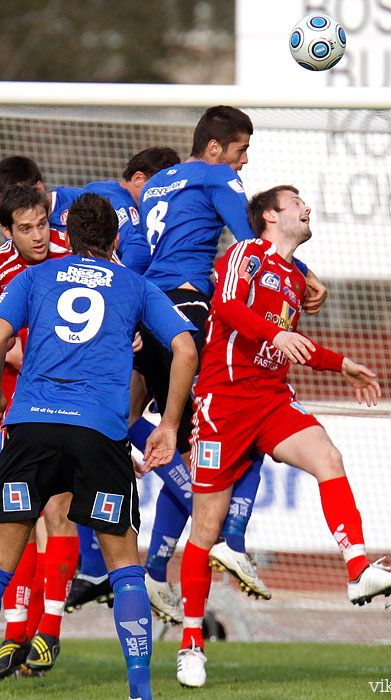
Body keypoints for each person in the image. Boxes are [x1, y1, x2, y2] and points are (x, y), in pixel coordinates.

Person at [140, 184, 391, 688]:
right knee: (205, 530)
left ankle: (356, 568)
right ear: (269, 216)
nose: (307, 207)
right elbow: (224, 307)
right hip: (224, 403)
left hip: (270, 399)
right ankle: (192, 644)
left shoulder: (291, 276)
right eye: (296, 202)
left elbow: (288, 340)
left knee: (328, 456)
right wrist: (273, 333)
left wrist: (342, 364)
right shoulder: (247, 253)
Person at [131, 105, 329, 618]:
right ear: (216, 147)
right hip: (189, 306)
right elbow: (254, 245)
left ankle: (156, 569)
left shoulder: (159, 182)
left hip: (147, 307)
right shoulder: (217, 175)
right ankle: (229, 539)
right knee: (248, 406)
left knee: (144, 423)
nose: (243, 162)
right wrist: (303, 273)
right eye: (241, 150)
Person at [0, 192, 198, 700]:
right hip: (98, 434)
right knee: (124, 568)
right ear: (114, 239)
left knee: (3, 560)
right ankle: (140, 692)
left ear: (66, 234)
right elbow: (184, 347)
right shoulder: (135, 284)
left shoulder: (34, 277)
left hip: (32, 428)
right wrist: (169, 425)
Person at [0, 185, 77, 678]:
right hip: (16, 405)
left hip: (70, 408)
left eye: (42, 225)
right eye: (25, 229)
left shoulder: (73, 263)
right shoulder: (5, 274)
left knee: (58, 509)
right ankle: (14, 633)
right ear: (7, 233)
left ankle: (47, 631)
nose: (37, 237)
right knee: (18, 518)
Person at [48, 147, 181, 274]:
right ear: (138, 178)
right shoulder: (117, 201)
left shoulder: (99, 190)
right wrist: (117, 285)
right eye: (160, 188)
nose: (164, 196)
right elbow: (138, 250)